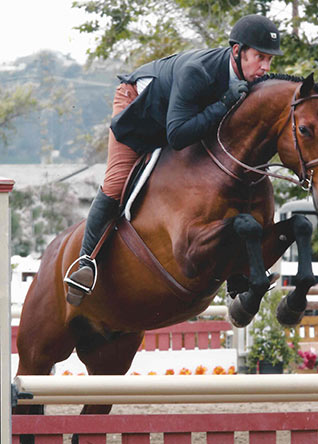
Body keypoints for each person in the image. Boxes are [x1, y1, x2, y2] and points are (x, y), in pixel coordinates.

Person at [64, 14, 283, 306]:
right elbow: (178, 136)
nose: (265, 68)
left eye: (270, 60)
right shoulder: (198, 72)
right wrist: (223, 104)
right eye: (260, 58)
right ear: (237, 51)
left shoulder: (251, 79)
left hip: (176, 118)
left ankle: (237, 270)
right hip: (139, 112)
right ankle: (85, 261)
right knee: (116, 184)